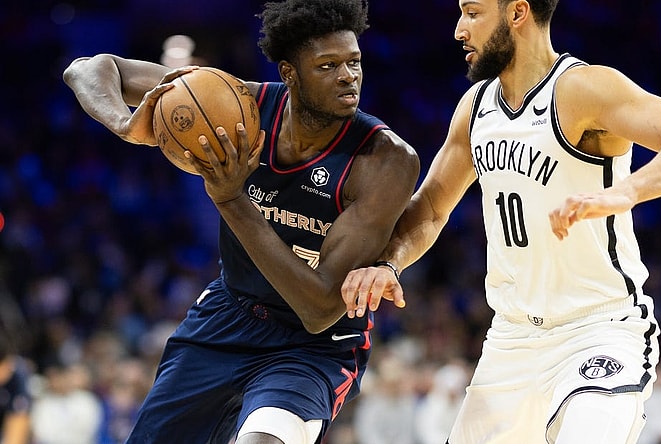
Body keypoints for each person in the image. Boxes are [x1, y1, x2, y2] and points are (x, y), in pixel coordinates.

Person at [341, 0, 661, 442]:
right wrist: (389, 262)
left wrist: (625, 191)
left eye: (472, 12)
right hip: (512, 340)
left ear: (517, 12)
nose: (458, 30)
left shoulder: (582, 89)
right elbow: (430, 209)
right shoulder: (476, 107)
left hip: (596, 331)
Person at [62, 0, 419, 442]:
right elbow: (89, 68)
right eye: (328, 66)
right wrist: (124, 123)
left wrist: (232, 199)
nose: (348, 77)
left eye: (354, 62)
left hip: (312, 346)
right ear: (290, 73)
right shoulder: (235, 105)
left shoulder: (384, 160)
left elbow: (320, 308)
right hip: (229, 314)